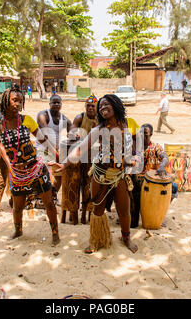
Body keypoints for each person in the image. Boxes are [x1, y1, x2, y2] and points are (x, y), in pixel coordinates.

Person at [0, 88, 61, 245]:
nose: (18, 104)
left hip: (35, 169)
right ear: (5, 101)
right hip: (17, 173)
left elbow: (43, 141)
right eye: (15, 100)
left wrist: (58, 157)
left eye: (20, 101)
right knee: (17, 207)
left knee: (49, 203)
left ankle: (55, 234)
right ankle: (18, 231)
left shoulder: (26, 120)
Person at [54, 94, 139, 254]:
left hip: (120, 175)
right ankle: (96, 241)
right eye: (101, 106)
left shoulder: (125, 124)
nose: (102, 108)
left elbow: (127, 150)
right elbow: (80, 150)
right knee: (98, 212)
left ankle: (126, 237)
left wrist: (131, 159)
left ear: (115, 105)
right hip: (100, 175)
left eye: (106, 104)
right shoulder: (98, 130)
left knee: (124, 211)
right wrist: (65, 163)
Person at [130, 124, 178, 228]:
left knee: (174, 188)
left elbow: (165, 157)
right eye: (141, 133)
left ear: (151, 134)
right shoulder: (134, 147)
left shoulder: (156, 147)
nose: (142, 136)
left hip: (151, 182)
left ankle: (159, 213)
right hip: (135, 180)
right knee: (132, 224)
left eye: (145, 133)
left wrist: (161, 166)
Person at [66, 94, 99, 224]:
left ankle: (89, 213)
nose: (90, 108)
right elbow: (71, 132)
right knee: (76, 184)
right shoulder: (80, 117)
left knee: (89, 186)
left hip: (93, 158)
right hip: (81, 156)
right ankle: (73, 213)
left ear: (96, 107)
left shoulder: (100, 120)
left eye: (93, 106)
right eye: (88, 106)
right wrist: (75, 134)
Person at [36, 94, 72, 195]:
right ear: (49, 104)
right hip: (43, 148)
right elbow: (46, 132)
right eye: (54, 102)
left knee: (59, 175)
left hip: (56, 151)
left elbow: (72, 128)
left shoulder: (63, 118)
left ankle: (52, 196)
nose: (56, 104)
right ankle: (41, 198)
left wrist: (73, 134)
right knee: (43, 175)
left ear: (61, 104)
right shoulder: (43, 115)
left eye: (58, 102)